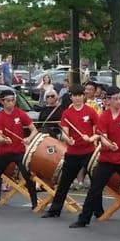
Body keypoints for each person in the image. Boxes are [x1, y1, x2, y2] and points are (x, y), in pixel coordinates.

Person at [69, 86, 120, 229]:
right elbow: (103, 137)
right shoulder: (104, 117)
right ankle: (83, 219)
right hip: (107, 159)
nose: (118, 101)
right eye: (115, 99)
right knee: (95, 189)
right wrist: (110, 145)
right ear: (108, 100)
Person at [41, 85, 101, 218]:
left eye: (80, 95)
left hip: (89, 152)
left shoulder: (90, 112)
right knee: (64, 183)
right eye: (75, 95)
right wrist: (69, 140)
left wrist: (91, 138)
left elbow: (98, 132)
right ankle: (54, 210)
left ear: (83, 96)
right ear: (71, 97)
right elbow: (64, 134)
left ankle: (98, 211)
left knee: (96, 183)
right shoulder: (67, 114)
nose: (78, 98)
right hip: (73, 153)